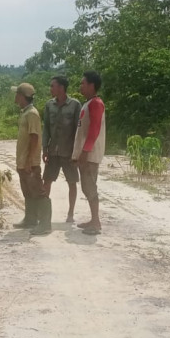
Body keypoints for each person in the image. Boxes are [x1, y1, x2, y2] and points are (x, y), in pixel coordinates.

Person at [41, 75, 82, 224]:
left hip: (69, 152)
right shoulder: (49, 105)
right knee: (47, 181)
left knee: (72, 182)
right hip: (53, 151)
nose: (50, 88)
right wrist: (44, 148)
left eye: (53, 86)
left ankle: (70, 214)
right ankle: (44, 214)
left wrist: (77, 152)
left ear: (61, 88)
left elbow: (79, 130)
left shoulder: (75, 105)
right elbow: (46, 128)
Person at [11, 83, 50, 235]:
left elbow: (34, 137)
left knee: (38, 192)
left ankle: (45, 223)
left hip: (30, 163)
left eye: (17, 94)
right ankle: (30, 219)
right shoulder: (25, 112)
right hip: (23, 162)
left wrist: (28, 161)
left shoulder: (32, 113)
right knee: (27, 191)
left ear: (22, 96)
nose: (15, 97)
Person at [71, 70, 105, 235]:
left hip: (90, 155)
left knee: (90, 186)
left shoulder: (96, 104)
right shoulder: (88, 103)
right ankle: (93, 219)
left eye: (83, 83)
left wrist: (85, 152)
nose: (80, 86)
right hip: (85, 154)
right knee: (86, 186)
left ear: (92, 85)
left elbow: (94, 130)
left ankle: (96, 222)